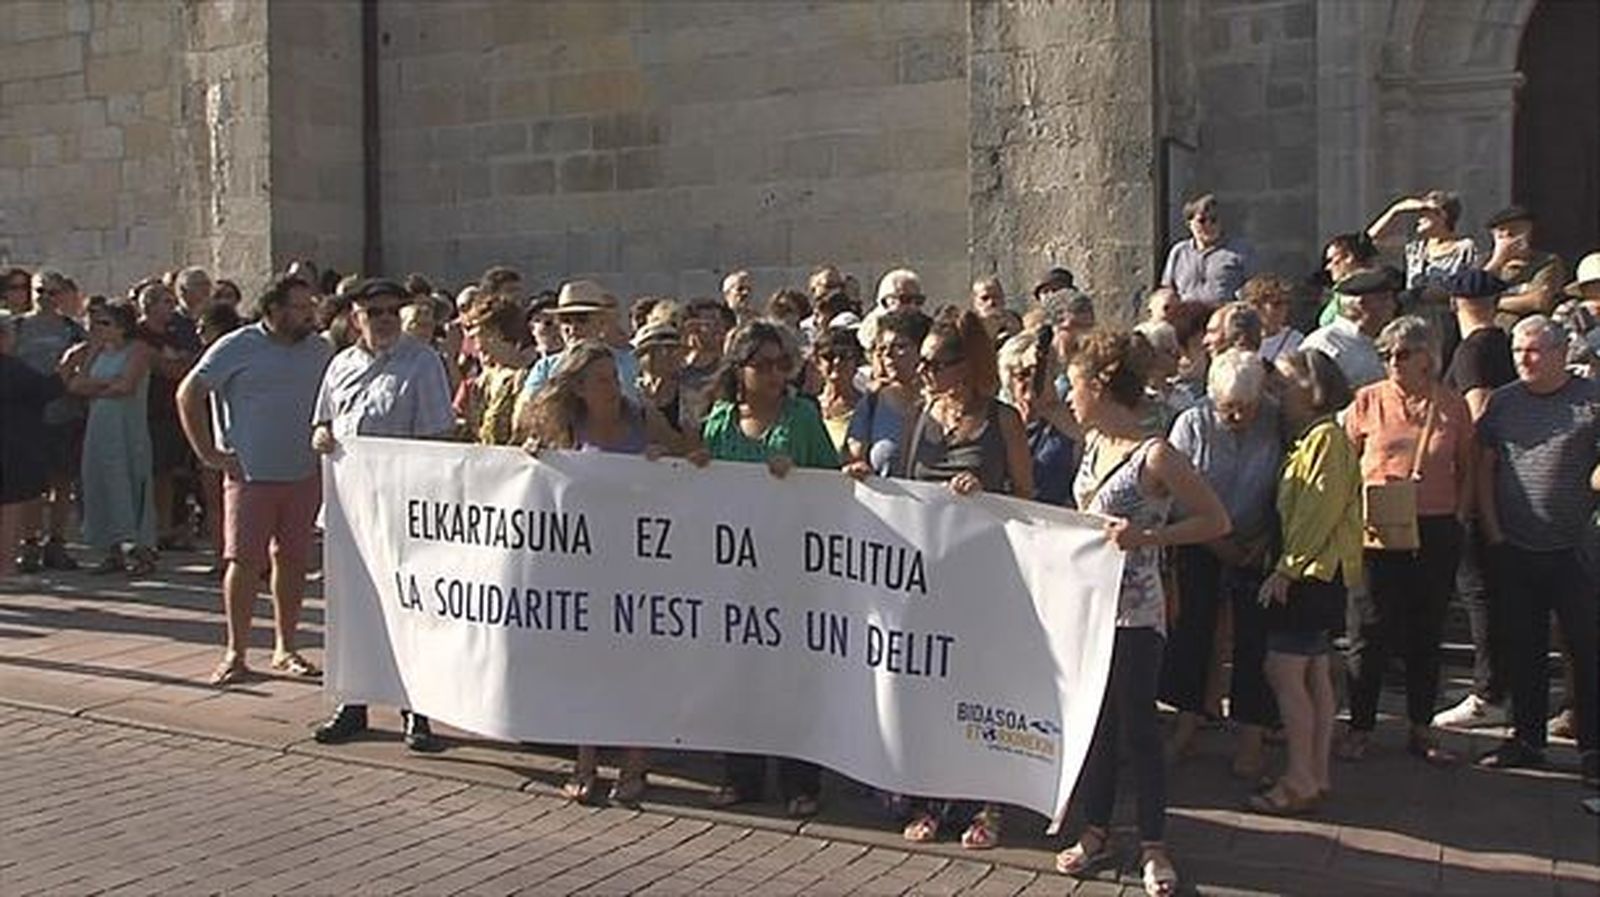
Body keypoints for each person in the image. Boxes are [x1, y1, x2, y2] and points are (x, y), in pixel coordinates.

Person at [1053, 331, 1231, 896]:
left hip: (1134, 612)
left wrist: (1149, 536)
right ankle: (1096, 829)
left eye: (1075, 385)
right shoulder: (1092, 444)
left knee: (1138, 726)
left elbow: (1215, 520)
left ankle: (1154, 843)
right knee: (1096, 723)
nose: (1070, 397)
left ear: (1101, 386)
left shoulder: (1155, 455)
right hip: (1088, 608)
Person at [519, 340, 701, 802]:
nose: (613, 387)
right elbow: (539, 478)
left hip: (642, 559)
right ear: (578, 388)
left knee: (638, 661)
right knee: (588, 660)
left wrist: (666, 457)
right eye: (601, 380)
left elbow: (691, 456)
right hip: (587, 563)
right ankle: (586, 758)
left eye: (614, 377)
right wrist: (535, 457)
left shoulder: (641, 417)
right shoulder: (566, 427)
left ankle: (635, 761)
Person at [893, 309, 1033, 850]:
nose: (925, 372)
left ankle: (986, 803)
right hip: (927, 574)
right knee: (930, 687)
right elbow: (903, 488)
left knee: (980, 689)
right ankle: (928, 798)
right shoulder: (919, 415)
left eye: (936, 363)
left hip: (985, 574)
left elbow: (1028, 497)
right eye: (923, 362)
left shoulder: (1003, 421)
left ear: (967, 365)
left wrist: (988, 495)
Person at [310, 279, 458, 754]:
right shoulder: (340, 365)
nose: (386, 319)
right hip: (350, 509)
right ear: (356, 318)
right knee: (351, 610)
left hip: (401, 509)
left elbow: (437, 436)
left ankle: (417, 710)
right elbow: (323, 421)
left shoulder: (423, 362)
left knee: (408, 610)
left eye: (394, 310)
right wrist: (321, 435)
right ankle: (352, 704)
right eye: (375, 312)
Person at [700, 320, 838, 818]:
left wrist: (798, 478)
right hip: (735, 571)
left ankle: (801, 781)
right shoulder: (719, 421)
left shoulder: (802, 417)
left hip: (792, 567)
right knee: (740, 675)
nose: (777, 375)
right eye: (765, 365)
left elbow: (832, 482)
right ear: (740, 369)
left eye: (784, 364)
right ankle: (742, 776)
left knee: (792, 676)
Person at [177, 275, 332, 686]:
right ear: (274, 309)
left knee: (293, 560)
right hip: (251, 476)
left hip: (303, 472)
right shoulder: (236, 345)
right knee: (244, 562)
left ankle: (287, 647)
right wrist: (208, 452)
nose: (309, 315)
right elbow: (188, 393)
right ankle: (236, 653)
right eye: (300, 307)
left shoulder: (320, 349)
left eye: (311, 306)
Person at [1340, 316, 1473, 765]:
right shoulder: (1367, 400)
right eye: (1385, 355)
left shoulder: (1452, 406)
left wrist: (1459, 515)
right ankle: (1360, 725)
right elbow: (1346, 462)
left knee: (1426, 629)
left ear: (1426, 358)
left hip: (1434, 527)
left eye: (1401, 354)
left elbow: (1468, 465)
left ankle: (1421, 726)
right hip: (1376, 528)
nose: (1392, 362)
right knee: (1367, 629)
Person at [1475, 316, 1598, 788]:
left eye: (1533, 351)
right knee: (1522, 647)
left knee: (1585, 650)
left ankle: (1592, 747)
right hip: (1515, 544)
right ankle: (1525, 738)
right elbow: (1484, 467)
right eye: (1517, 351)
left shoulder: (1590, 401)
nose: (1523, 360)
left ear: (1561, 353)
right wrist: (1492, 530)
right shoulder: (1503, 403)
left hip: (1575, 549)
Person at [1163, 349, 1283, 778]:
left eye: (1245, 408)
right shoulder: (1192, 423)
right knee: (1191, 631)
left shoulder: (1275, 418)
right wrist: (1217, 542)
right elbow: (1175, 494)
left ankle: (1252, 735)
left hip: (1257, 540)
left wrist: (1265, 537)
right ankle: (1187, 722)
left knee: (1255, 640)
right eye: (1227, 408)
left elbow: (1288, 484)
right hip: (1201, 540)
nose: (1236, 417)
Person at [1250, 348, 1359, 814]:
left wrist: (1286, 569)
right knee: (1313, 672)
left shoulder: (1325, 440)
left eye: (1286, 381)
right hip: (1316, 572)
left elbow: (1318, 511)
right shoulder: (1312, 437)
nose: (1277, 390)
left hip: (1310, 575)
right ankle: (1315, 773)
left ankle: (1299, 777)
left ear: (1313, 387)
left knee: (1285, 670)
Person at [1433, 270, 1517, 730]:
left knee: (1477, 588)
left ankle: (1489, 692)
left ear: (1453, 304)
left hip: (1476, 485)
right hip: (1501, 484)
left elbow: (1478, 414)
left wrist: (1463, 491)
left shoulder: (1473, 350)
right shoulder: (1501, 343)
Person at [55, 298, 158, 575]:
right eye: (95, 323)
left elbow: (126, 386)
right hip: (99, 427)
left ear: (122, 326)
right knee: (100, 481)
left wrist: (97, 387)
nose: (97, 328)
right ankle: (112, 550)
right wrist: (103, 381)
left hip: (127, 427)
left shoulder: (139, 350)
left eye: (105, 323)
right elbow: (76, 384)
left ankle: (142, 550)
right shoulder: (97, 351)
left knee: (130, 481)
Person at [14, 269, 87, 572]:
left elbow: (86, 365)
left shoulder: (72, 330)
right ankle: (29, 543)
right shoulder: (16, 326)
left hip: (64, 414)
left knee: (62, 483)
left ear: (63, 295)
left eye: (52, 292)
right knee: (30, 485)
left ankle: (56, 542)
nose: (44, 297)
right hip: (27, 416)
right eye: (39, 291)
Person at [1367, 190, 1479, 356]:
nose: (1419, 219)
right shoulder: (1415, 246)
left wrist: (1437, 293)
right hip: (1411, 318)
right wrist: (1396, 210)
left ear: (1442, 215)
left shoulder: (1464, 247)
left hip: (1443, 322)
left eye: (1425, 214)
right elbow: (1369, 242)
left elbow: (1471, 285)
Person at [135, 280, 202, 550]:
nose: (171, 308)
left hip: (171, 411)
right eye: (166, 302)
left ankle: (165, 527)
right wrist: (178, 362)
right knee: (150, 472)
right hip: (146, 410)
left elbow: (188, 364)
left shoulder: (174, 333)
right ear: (149, 305)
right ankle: (147, 528)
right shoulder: (138, 335)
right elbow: (169, 368)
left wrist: (181, 362)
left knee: (168, 473)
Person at [0, 309, 66, 577]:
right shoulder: (11, 368)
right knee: (9, 507)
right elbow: (48, 389)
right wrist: (68, 365)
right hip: (11, 447)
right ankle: (5, 566)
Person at [843, 308, 932, 478]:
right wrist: (858, 469)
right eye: (883, 348)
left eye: (900, 346)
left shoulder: (945, 404)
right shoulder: (872, 402)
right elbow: (853, 457)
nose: (888, 355)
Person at [998, 326, 1080, 507]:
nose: (1031, 381)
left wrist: (1050, 407)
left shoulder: (1069, 417)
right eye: (1023, 375)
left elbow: (1082, 444)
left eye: (1039, 373)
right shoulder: (1001, 419)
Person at [521, 281, 639, 401]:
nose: (572, 328)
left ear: (601, 324)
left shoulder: (629, 365)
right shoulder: (545, 368)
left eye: (582, 320)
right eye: (566, 321)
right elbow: (528, 407)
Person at [1300, 269, 1397, 391]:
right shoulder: (1324, 344)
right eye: (1384, 299)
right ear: (1361, 304)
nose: (1393, 306)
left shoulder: (1389, 339)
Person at [458, 294, 533, 446]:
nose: (475, 345)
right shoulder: (483, 381)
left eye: (478, 335)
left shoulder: (523, 380)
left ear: (496, 332)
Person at [1482, 206, 1567, 328]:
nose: (1508, 238)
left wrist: (1490, 303)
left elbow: (1538, 301)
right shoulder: (1483, 262)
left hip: (1525, 329)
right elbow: (1470, 292)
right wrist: (1498, 260)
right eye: (1501, 232)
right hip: (1484, 327)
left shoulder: (1546, 262)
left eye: (1515, 231)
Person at [1161, 193, 1251, 303]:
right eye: (1202, 221)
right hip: (1186, 311)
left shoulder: (1240, 250)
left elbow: (1253, 288)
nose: (1208, 225)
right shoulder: (1179, 251)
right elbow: (1167, 290)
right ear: (1189, 223)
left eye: (1213, 220)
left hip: (1224, 311)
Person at [632, 320, 694, 434]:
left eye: (674, 349)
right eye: (664, 349)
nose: (671, 355)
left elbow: (696, 438)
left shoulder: (690, 394)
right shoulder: (630, 394)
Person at [812, 325, 863, 453]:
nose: (836, 361)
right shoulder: (806, 405)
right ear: (817, 362)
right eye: (828, 356)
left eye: (844, 355)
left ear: (856, 361)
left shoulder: (867, 407)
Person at [1315, 232, 1380, 327]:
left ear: (1349, 257)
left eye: (1331, 260)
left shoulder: (1371, 292)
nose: (1327, 267)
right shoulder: (1338, 292)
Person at [1241, 275, 1303, 363]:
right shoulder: (1242, 339)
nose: (1283, 308)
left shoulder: (1295, 340)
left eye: (1286, 302)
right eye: (1276, 304)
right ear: (1257, 306)